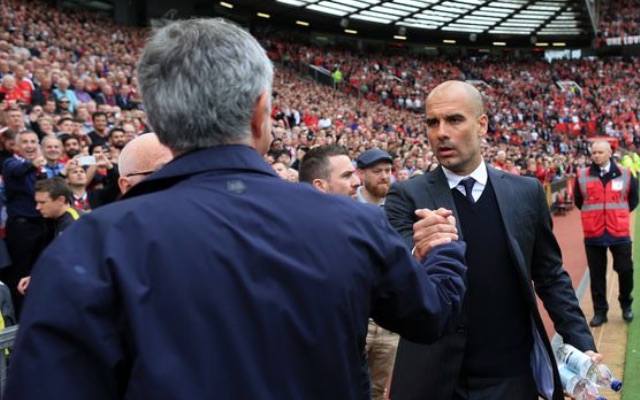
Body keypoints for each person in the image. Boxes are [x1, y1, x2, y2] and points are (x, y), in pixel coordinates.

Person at [5, 19, 468, 400]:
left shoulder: (87, 245)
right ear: (260, 111)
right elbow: (430, 315)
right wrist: (443, 249)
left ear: (160, 121)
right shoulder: (350, 222)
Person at [385, 80, 599, 400]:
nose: (441, 132)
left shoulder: (525, 192)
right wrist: (417, 252)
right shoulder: (406, 195)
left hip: (512, 374)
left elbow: (550, 276)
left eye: (454, 120)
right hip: (434, 376)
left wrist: (582, 344)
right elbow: (391, 273)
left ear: (482, 124)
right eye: (432, 122)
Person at [574, 140, 637, 326]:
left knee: (625, 269)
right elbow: (579, 201)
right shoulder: (582, 175)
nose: (596, 155)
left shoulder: (625, 174)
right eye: (593, 152)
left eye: (600, 152)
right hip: (594, 232)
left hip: (619, 231)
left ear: (610, 153)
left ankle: (626, 304)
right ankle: (600, 312)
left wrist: (619, 215)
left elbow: (633, 199)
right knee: (597, 274)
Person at [355, 148, 400, 400]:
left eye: (388, 171)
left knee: (378, 390)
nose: (385, 176)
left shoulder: (397, 208)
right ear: (361, 174)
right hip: (356, 317)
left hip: (388, 323)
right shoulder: (345, 205)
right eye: (377, 171)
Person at [1, 130, 49, 316]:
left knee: (38, 272)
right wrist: (32, 164)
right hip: (21, 228)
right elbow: (17, 170)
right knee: (20, 274)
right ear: (17, 146)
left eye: (33, 142)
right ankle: (19, 320)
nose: (30, 146)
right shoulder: (10, 163)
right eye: (25, 142)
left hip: (40, 225)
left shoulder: (38, 167)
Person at [17, 178, 82, 295]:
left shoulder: (74, 224)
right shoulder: (53, 221)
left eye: (42, 202)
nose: (37, 207)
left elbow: (69, 264)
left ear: (61, 200)